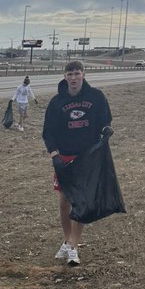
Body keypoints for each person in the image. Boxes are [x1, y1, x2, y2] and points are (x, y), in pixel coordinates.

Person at [42, 60, 112, 267]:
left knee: (80, 202)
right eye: (70, 74)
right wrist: (54, 153)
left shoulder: (96, 97)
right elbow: (48, 131)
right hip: (64, 157)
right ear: (65, 76)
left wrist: (106, 130)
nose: (73, 78)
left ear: (83, 74)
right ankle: (66, 239)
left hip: (86, 157)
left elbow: (105, 120)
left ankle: (74, 246)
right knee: (64, 202)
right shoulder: (57, 102)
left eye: (77, 73)